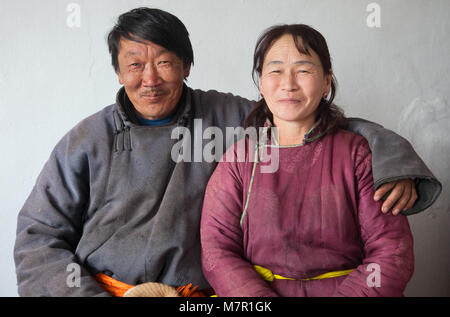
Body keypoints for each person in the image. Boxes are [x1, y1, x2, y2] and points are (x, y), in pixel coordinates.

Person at [14, 8, 440, 297]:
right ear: (118, 70)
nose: (149, 79)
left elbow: (306, 119)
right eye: (134, 64)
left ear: (186, 65)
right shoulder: (86, 139)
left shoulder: (230, 116)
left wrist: (390, 158)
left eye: (164, 62)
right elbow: (38, 236)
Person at [200, 24, 418, 297]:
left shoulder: (357, 155)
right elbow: (216, 252)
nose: (288, 84)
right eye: (276, 71)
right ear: (261, 83)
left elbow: (391, 252)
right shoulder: (239, 159)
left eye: (303, 70)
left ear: (327, 81)